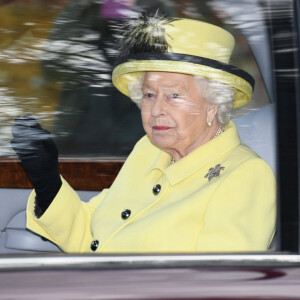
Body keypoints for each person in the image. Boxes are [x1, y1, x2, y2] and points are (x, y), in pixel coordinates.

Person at [11, 13, 276, 253]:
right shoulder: (148, 150)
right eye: (149, 95)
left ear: (213, 105)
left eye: (174, 95)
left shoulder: (246, 176)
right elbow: (91, 237)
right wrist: (48, 182)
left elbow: (222, 284)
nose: (156, 109)